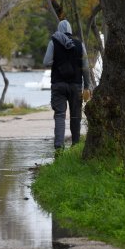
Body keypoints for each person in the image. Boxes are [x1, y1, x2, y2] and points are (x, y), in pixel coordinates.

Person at [43, 20, 91, 151]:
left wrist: (57, 59)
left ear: (59, 29)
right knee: (76, 115)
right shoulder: (79, 45)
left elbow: (46, 61)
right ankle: (75, 145)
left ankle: (59, 146)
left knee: (59, 115)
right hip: (75, 85)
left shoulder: (53, 42)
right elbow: (85, 67)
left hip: (58, 85)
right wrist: (87, 86)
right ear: (70, 30)